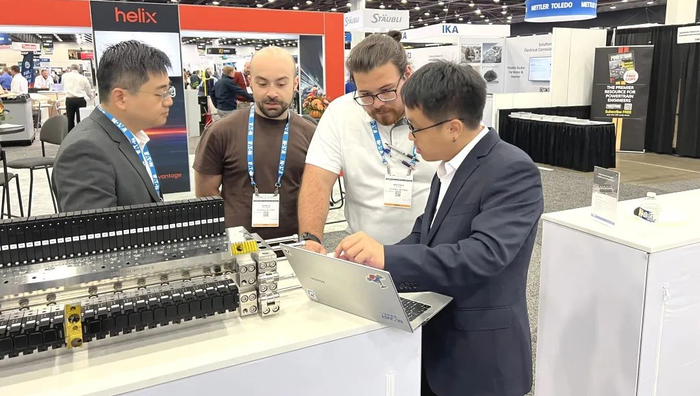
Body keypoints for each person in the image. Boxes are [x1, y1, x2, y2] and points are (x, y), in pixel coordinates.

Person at [333, 62, 544, 396]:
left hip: (481, 359)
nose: (410, 137)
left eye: (415, 127)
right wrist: (373, 263)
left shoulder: (512, 170)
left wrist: (388, 257)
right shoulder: (448, 166)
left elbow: (483, 255)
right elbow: (424, 235)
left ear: (453, 128)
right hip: (437, 345)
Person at [298, 31, 439, 250]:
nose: (378, 104)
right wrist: (311, 238)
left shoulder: (437, 112)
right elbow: (318, 180)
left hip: (429, 250)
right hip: (361, 252)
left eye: (387, 91)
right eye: (365, 95)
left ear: (407, 74)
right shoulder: (341, 112)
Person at [193, 47, 315, 239]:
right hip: (238, 246)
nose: (272, 93)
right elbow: (206, 194)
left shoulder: (310, 134)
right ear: (250, 82)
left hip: (294, 244)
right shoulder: (221, 132)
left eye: (281, 84)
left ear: (295, 84)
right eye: (262, 83)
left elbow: (315, 194)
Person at [53, 40, 173, 212]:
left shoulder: (125, 136)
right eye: (161, 93)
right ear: (120, 98)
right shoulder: (86, 152)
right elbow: (94, 228)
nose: (169, 101)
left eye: (168, 91)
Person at [62, 64, 95, 132]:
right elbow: (88, 90)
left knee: (70, 120)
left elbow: (63, 86)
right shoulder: (83, 78)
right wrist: (92, 97)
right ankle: (80, 134)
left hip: (69, 100)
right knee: (80, 120)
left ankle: (70, 136)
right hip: (80, 100)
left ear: (70, 69)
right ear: (78, 69)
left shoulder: (65, 76)